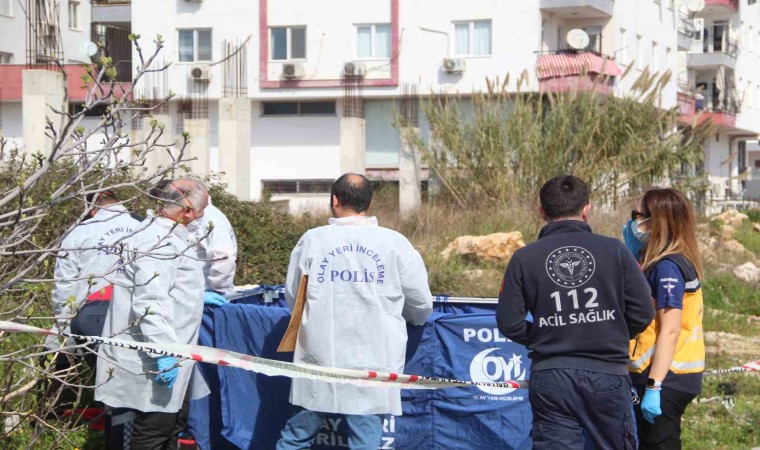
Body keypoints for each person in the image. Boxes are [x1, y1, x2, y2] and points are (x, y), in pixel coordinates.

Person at [275, 173, 433, 450]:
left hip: (319, 354)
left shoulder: (313, 240)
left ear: (334, 200)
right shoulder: (394, 243)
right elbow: (420, 302)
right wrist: (414, 319)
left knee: (296, 437)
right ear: (369, 203)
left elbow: (293, 295)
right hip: (372, 358)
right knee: (365, 441)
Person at [496, 175, 655, 450]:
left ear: (542, 212)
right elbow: (643, 311)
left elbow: (509, 322)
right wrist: (608, 333)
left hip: (552, 375)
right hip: (606, 373)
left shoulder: (524, 257)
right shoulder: (615, 250)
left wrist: (547, 334)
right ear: (586, 209)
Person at [95, 179, 209, 450]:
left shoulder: (163, 235)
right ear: (187, 211)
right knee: (153, 432)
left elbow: (165, 288)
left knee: (171, 426)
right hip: (153, 355)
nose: (203, 216)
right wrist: (164, 352)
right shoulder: (159, 241)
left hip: (169, 350)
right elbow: (151, 302)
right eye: (202, 209)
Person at [625, 188, 705, 450]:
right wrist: (634, 256)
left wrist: (653, 386)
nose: (633, 222)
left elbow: (670, 329)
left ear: (655, 222)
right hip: (663, 374)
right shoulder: (658, 263)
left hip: (665, 377)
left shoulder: (667, 267)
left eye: (637, 215)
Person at [49, 190, 144, 366]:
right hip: (137, 311)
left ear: (93, 211)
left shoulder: (80, 231)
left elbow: (64, 282)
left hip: (91, 312)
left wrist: (62, 322)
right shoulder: (145, 227)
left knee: (97, 372)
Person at [175, 177, 238, 305]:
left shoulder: (211, 219)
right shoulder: (196, 216)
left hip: (208, 297)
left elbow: (223, 258)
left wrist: (217, 290)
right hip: (192, 295)